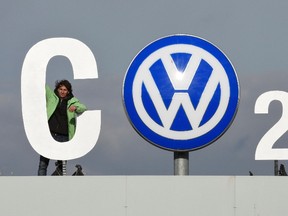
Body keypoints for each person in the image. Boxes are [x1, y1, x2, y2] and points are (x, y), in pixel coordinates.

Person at [38, 79, 87, 176]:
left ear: (68, 91)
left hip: (64, 137)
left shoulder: (72, 101)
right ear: (57, 89)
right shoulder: (52, 97)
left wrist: (76, 108)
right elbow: (43, 86)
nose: (62, 91)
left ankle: (57, 185)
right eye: (60, 89)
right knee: (43, 163)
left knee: (61, 165)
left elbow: (83, 107)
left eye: (65, 90)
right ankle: (41, 184)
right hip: (50, 134)